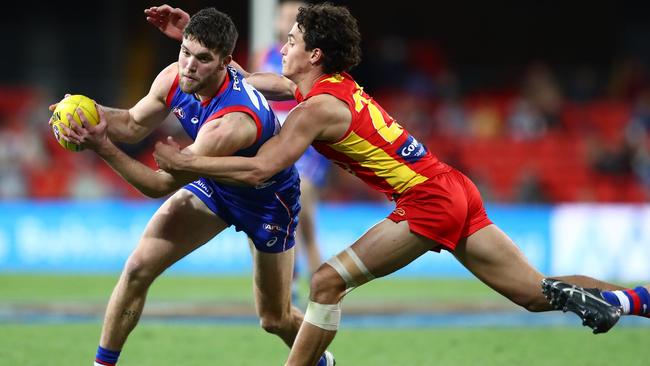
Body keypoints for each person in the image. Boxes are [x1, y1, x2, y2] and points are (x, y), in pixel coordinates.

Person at [150, 3, 650, 365]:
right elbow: (241, 80)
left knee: (325, 282)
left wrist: (189, 164)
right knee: (536, 293)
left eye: (291, 41)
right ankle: (637, 301)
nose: (282, 46)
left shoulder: (317, 109)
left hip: (428, 201)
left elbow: (260, 169)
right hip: (453, 186)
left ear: (315, 53)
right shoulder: (325, 87)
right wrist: (197, 41)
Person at [54, 7, 333, 366]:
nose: (188, 65)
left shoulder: (230, 123)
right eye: (186, 52)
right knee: (138, 267)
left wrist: (101, 146)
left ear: (224, 64)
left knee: (273, 319)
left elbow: (157, 185)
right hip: (217, 184)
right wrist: (87, 112)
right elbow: (133, 124)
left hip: (268, 200)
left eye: (202, 59)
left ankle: (322, 360)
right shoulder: (174, 77)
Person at [251, 0, 330, 286]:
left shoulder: (313, 59)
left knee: (304, 213)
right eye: (284, 17)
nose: (287, 23)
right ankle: (290, 284)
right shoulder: (266, 57)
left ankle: (319, 283)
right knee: (280, 218)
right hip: (277, 140)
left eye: (294, 18)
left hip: (306, 145)